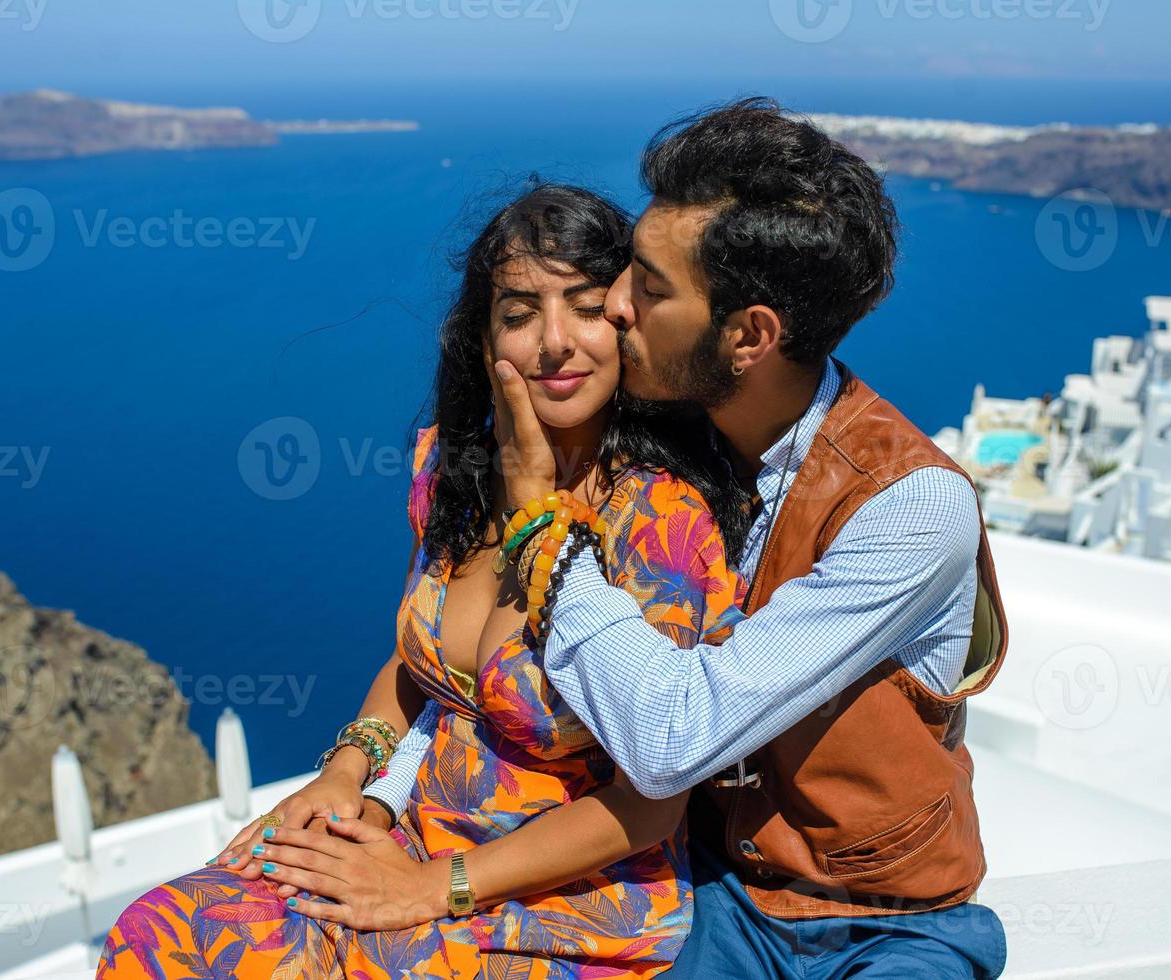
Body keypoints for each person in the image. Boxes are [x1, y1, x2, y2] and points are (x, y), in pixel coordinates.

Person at [385, 99, 1013, 978]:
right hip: (713, 897)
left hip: (883, 925)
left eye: (649, 284)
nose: (615, 304)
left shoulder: (907, 508)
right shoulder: (680, 443)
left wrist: (538, 525)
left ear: (749, 336)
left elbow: (677, 735)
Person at [94, 184, 754, 979]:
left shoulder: (658, 520)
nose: (554, 342)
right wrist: (343, 778)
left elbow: (653, 804)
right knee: (163, 933)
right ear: (483, 343)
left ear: (627, 325)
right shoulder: (451, 468)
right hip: (408, 842)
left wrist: (431, 888)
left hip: (565, 903)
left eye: (585, 308)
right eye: (518, 314)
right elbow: (420, 673)